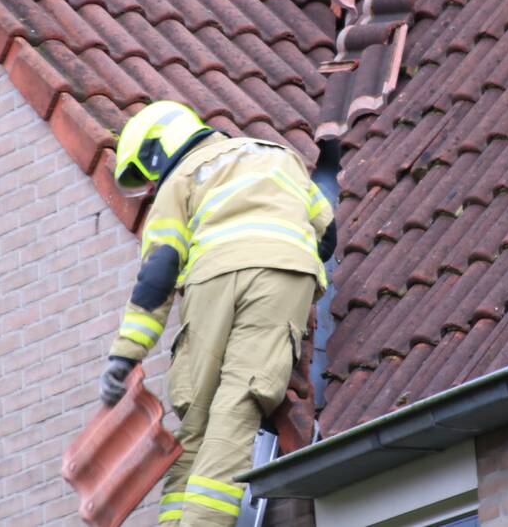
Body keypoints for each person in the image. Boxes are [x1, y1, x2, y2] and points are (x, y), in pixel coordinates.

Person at [99, 100, 335, 526]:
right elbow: (327, 233)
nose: (152, 184)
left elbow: (159, 272)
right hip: (281, 277)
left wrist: (126, 354)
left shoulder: (179, 181)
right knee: (238, 408)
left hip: (211, 281)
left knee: (196, 425)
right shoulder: (280, 156)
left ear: (157, 151)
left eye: (149, 174)